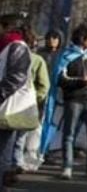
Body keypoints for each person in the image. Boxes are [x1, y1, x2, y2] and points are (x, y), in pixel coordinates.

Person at [57, 24, 87, 180]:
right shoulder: (67, 56)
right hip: (74, 100)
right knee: (69, 135)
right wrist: (79, 81)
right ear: (83, 39)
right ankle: (67, 167)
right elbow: (61, 79)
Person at [9, 25, 49, 179]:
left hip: (9, 102)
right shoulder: (37, 60)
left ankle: (11, 167)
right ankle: (15, 165)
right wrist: (33, 99)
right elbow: (44, 86)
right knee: (20, 138)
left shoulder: (7, 55)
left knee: (11, 139)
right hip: (25, 105)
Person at [0, 14, 33, 192]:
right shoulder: (7, 45)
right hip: (4, 104)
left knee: (3, 151)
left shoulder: (16, 46)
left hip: (7, 106)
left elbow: (16, 78)